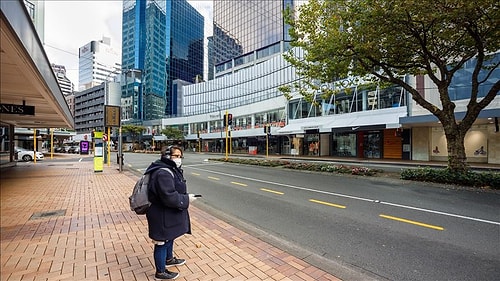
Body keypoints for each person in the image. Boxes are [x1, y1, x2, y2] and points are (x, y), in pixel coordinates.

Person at [144, 145, 197, 280]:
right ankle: (160, 272)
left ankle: (169, 259)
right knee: (161, 241)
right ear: (167, 156)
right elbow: (169, 196)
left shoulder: (169, 169)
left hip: (167, 212)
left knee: (170, 236)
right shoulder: (163, 172)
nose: (179, 159)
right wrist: (187, 199)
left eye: (180, 156)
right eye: (176, 156)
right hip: (160, 213)